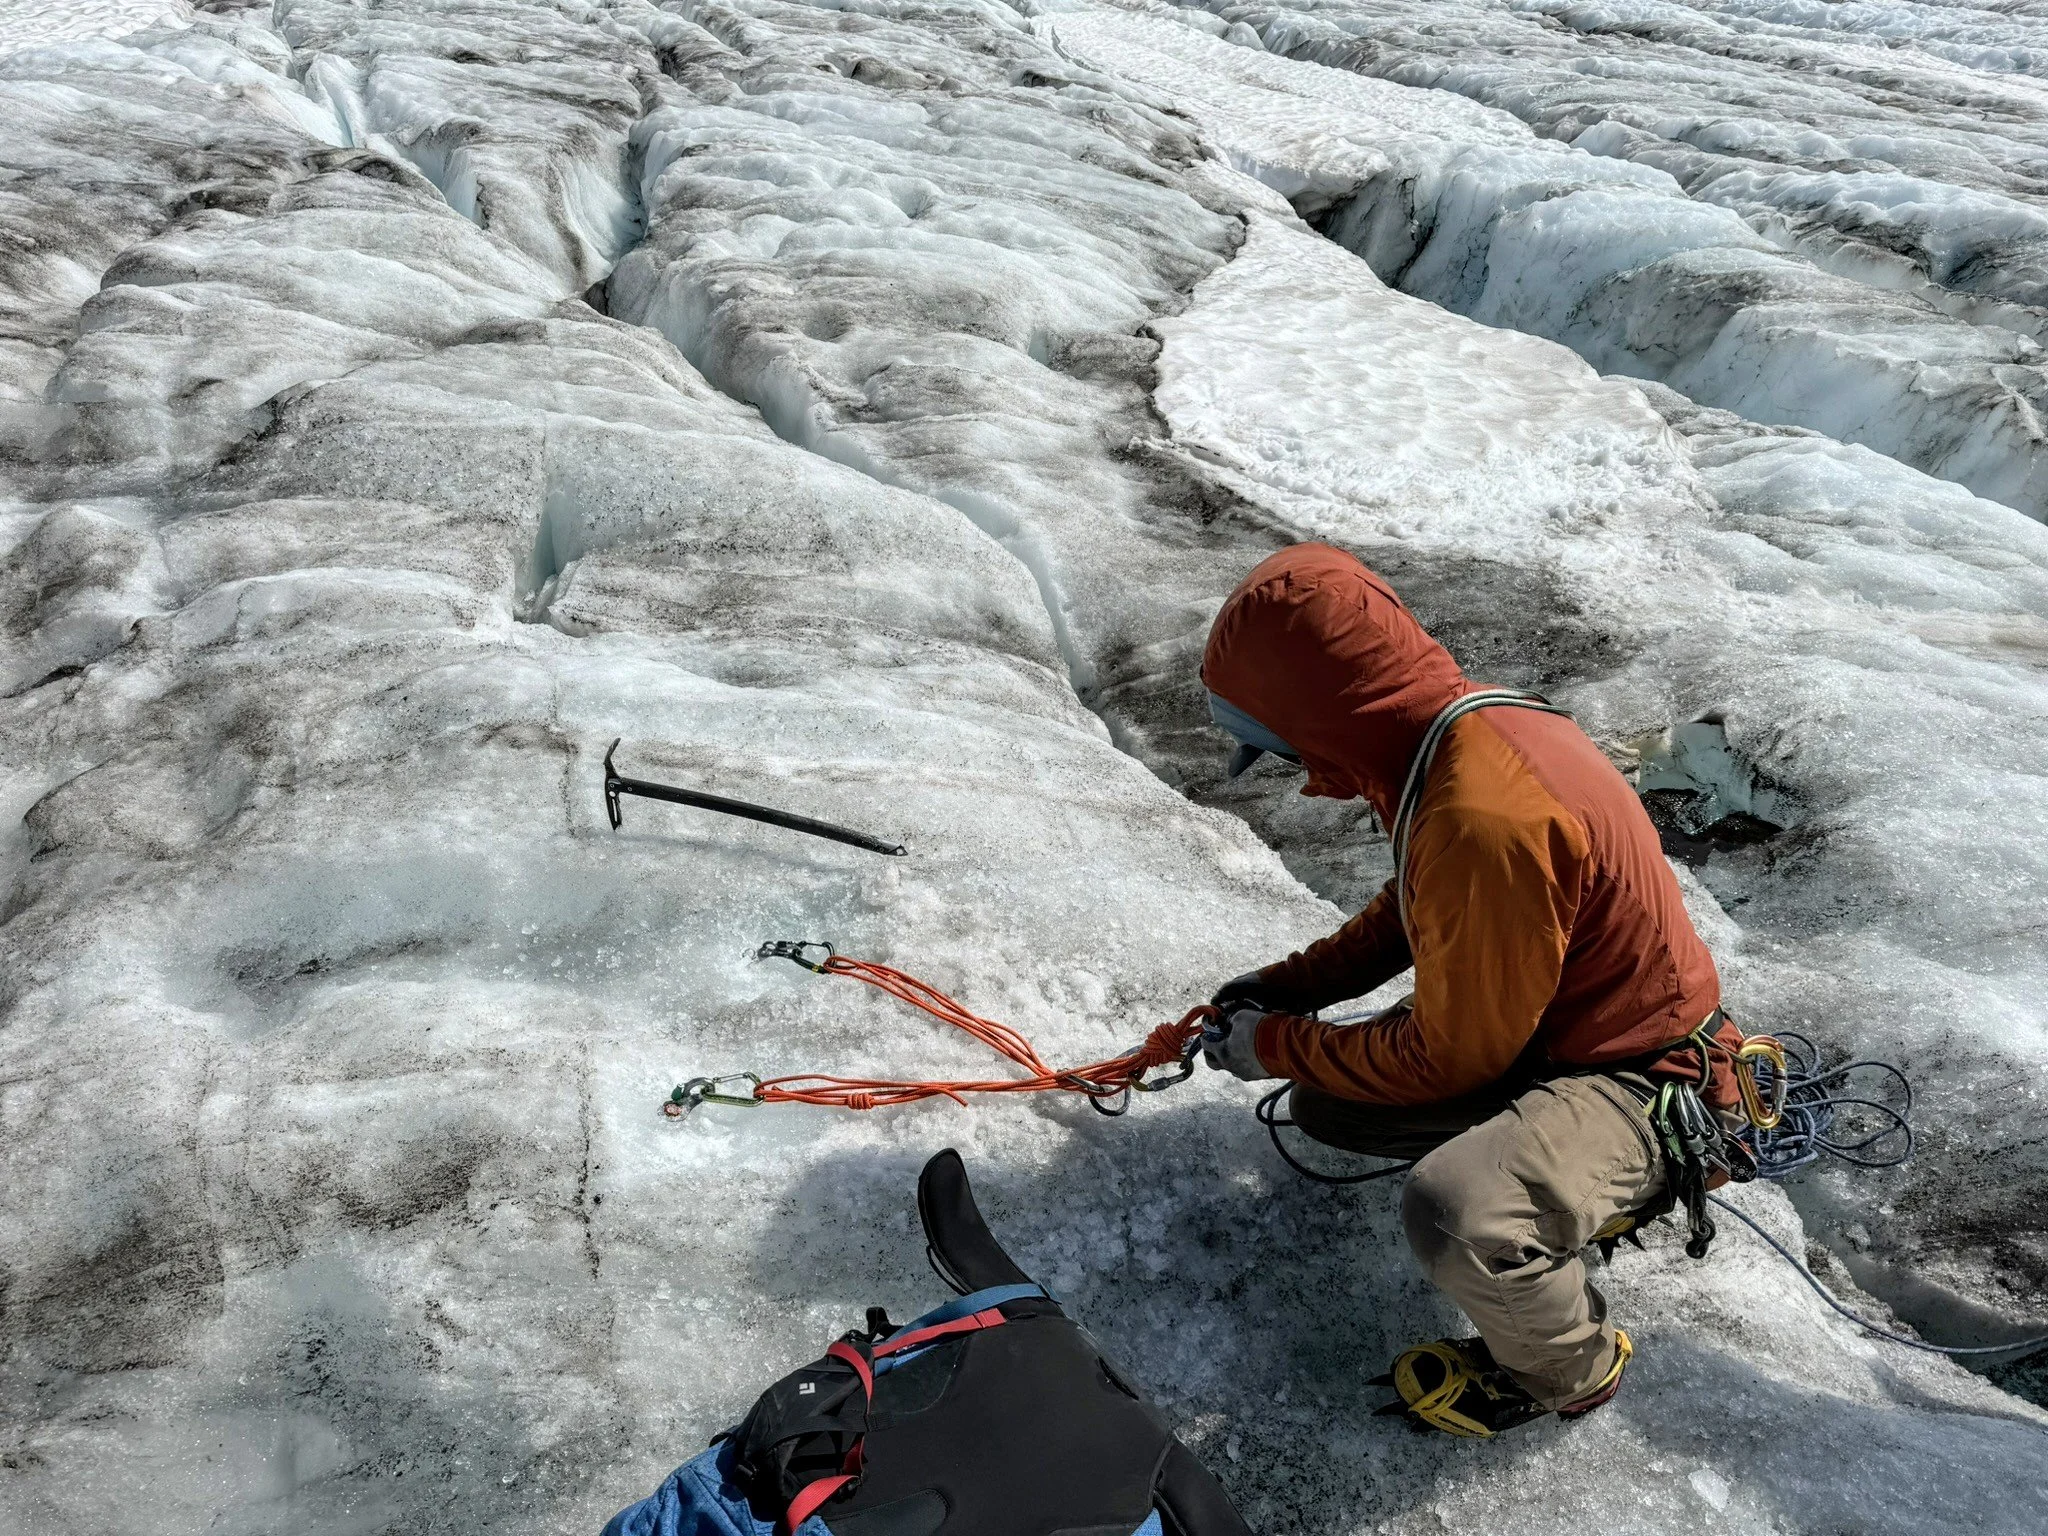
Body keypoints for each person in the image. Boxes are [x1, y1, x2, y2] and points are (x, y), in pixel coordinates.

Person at [1198, 543, 1746, 1438]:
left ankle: (1571, 1367)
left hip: (1652, 1079)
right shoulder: (1464, 733)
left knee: (1456, 1212)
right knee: (1330, 1105)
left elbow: (1447, 1057)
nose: (1300, 774)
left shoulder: (1481, 814)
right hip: (1571, 1037)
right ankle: (1546, 1183)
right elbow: (1415, 907)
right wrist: (1287, 988)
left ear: (1324, 719)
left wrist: (1269, 1043)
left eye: (1284, 746)